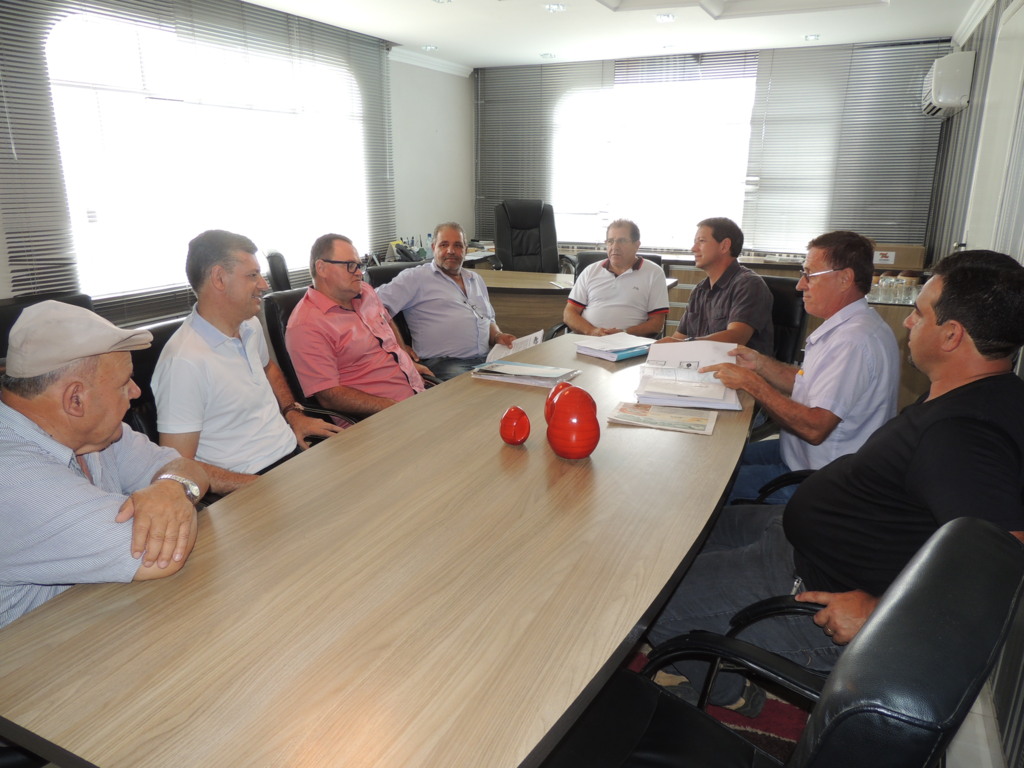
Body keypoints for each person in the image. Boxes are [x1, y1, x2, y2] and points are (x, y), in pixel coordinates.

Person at [647, 250, 1024, 712]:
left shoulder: (962, 435)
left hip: (805, 587)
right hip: (793, 537)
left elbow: (1004, 558)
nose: (907, 323)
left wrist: (880, 613)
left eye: (918, 313)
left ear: (952, 335)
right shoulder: (977, 390)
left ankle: (726, 694)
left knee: (646, 598)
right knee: (667, 540)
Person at [0, 301, 211, 629]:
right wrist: (180, 492)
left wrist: (173, 487)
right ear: (76, 399)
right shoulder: (11, 476)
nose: (136, 391)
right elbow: (161, 556)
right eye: (124, 382)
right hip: (31, 665)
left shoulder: (94, 435)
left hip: (93, 623)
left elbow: (184, 466)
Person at [705, 230, 900, 504]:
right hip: (796, 453)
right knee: (714, 459)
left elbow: (814, 428)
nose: (800, 285)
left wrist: (751, 383)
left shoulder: (853, 341)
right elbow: (809, 382)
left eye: (810, 274)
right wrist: (759, 364)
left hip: (816, 479)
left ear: (845, 279)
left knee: (706, 484)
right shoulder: (851, 325)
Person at [153, 230, 343, 492]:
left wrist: (292, 413)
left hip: (293, 458)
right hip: (246, 483)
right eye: (252, 275)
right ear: (219, 278)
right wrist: (260, 486)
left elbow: (269, 369)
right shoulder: (183, 361)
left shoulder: (250, 326)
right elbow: (178, 465)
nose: (264, 284)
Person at [286, 233, 428, 417]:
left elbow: (388, 322)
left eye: (359, 265)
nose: (359, 273)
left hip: (417, 397)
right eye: (350, 266)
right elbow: (329, 395)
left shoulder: (366, 292)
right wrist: (392, 407)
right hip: (377, 419)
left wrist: (406, 361)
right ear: (321, 268)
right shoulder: (305, 325)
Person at [375, 222, 516, 380]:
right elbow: (373, 305)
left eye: (457, 245)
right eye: (444, 245)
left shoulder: (475, 279)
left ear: (465, 249)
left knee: (523, 380)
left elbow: (487, 319)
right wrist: (398, 347)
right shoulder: (416, 277)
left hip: (487, 359)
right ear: (434, 247)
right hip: (445, 364)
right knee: (482, 391)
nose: (451, 251)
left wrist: (498, 336)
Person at [658, 217, 773, 355]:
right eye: (694, 242)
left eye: (701, 241)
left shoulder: (749, 284)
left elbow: (736, 338)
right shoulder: (700, 290)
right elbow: (679, 337)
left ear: (724, 246)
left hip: (738, 372)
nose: (693, 248)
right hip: (701, 368)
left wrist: (686, 345)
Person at [562, 219, 669, 338]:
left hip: (629, 344)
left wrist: (624, 334)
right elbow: (569, 313)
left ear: (636, 245)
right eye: (610, 241)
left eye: (622, 241)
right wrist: (592, 331)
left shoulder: (654, 273)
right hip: (588, 339)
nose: (615, 247)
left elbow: (657, 324)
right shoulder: (591, 271)